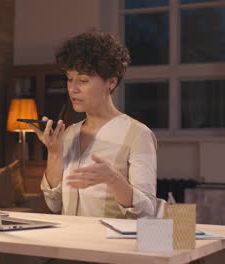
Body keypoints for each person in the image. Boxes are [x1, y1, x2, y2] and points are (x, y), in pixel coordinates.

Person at [30, 31, 157, 219]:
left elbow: (147, 211)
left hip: (108, 246)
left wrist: (113, 179)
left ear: (111, 82)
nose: (73, 89)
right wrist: (54, 153)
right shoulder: (68, 133)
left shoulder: (138, 135)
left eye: (83, 80)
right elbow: (54, 204)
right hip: (68, 243)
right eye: (69, 78)